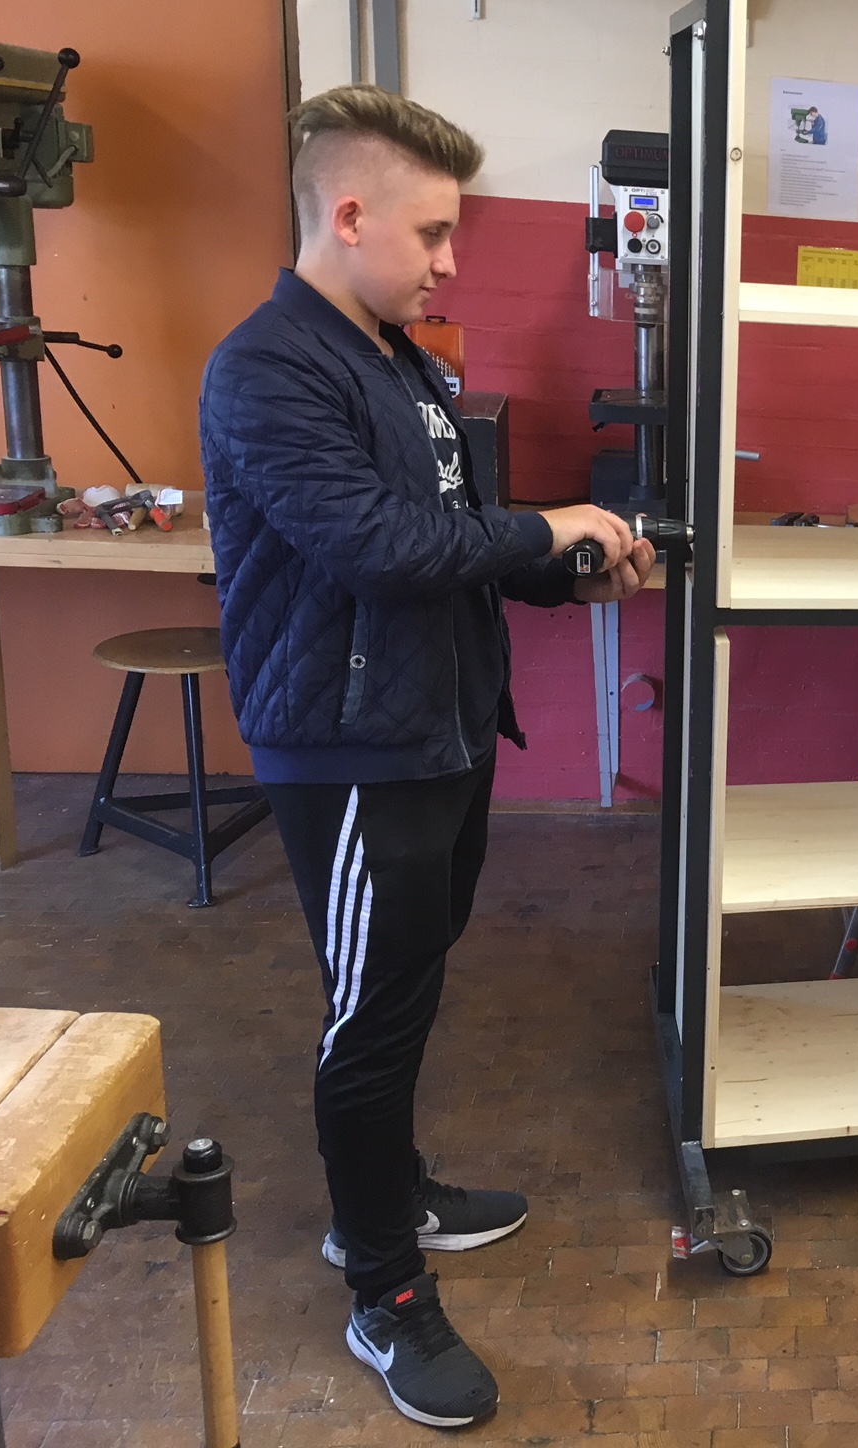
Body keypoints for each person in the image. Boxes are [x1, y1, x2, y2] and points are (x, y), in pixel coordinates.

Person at [200, 85, 655, 1426]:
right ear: (349, 216)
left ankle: (388, 1194)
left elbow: (451, 546)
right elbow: (375, 548)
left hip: (440, 730)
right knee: (372, 1012)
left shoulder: (400, 361)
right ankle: (383, 1286)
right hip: (351, 751)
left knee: (408, 981)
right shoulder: (269, 367)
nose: (451, 261)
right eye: (435, 232)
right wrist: (551, 523)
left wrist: (564, 572)